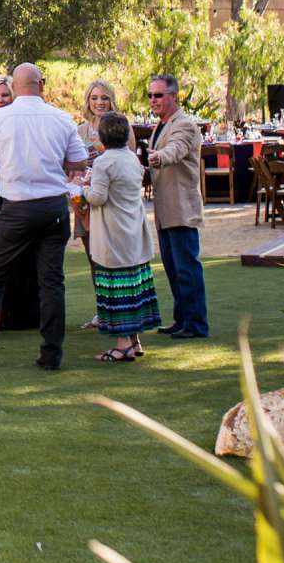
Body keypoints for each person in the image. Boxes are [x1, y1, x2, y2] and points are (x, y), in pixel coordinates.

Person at [0, 63, 87, 373]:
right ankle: (51, 352)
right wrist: (53, 163)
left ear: (14, 87)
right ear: (41, 84)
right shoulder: (60, 117)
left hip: (17, 207)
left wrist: (7, 169)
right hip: (53, 207)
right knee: (52, 281)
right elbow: (79, 159)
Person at [83, 111, 161, 361]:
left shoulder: (103, 163)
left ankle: (122, 344)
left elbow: (98, 197)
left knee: (117, 287)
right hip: (133, 229)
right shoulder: (132, 159)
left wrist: (83, 188)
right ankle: (135, 340)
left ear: (102, 138)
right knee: (134, 284)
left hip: (113, 232)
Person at [146, 72, 210, 340]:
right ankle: (182, 319)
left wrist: (159, 157)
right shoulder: (160, 124)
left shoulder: (183, 125)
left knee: (186, 268)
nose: (153, 100)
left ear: (173, 96)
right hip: (164, 210)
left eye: (158, 95)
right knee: (173, 269)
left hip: (182, 208)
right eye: (150, 95)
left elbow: (175, 150)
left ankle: (196, 324)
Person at [74, 80, 122, 331]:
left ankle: (119, 310)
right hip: (85, 203)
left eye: (104, 97)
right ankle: (102, 310)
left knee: (112, 258)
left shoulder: (121, 126)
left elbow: (128, 159)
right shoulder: (80, 130)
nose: (99, 102)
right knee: (93, 259)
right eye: (94, 98)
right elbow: (72, 164)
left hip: (111, 202)